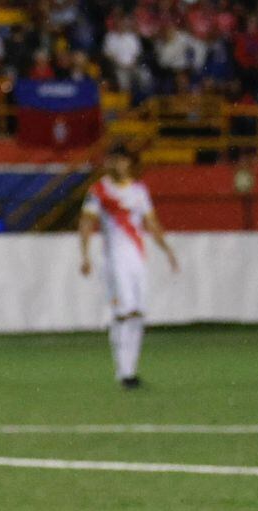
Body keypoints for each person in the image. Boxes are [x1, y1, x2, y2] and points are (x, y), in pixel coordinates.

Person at [80, 144, 179, 389]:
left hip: (137, 259)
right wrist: (84, 255)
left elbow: (151, 223)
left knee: (137, 313)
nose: (117, 164)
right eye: (112, 159)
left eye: (121, 160)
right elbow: (86, 221)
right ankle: (124, 372)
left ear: (128, 162)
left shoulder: (138, 190)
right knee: (125, 312)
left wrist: (167, 250)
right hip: (113, 261)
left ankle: (130, 370)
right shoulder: (99, 190)